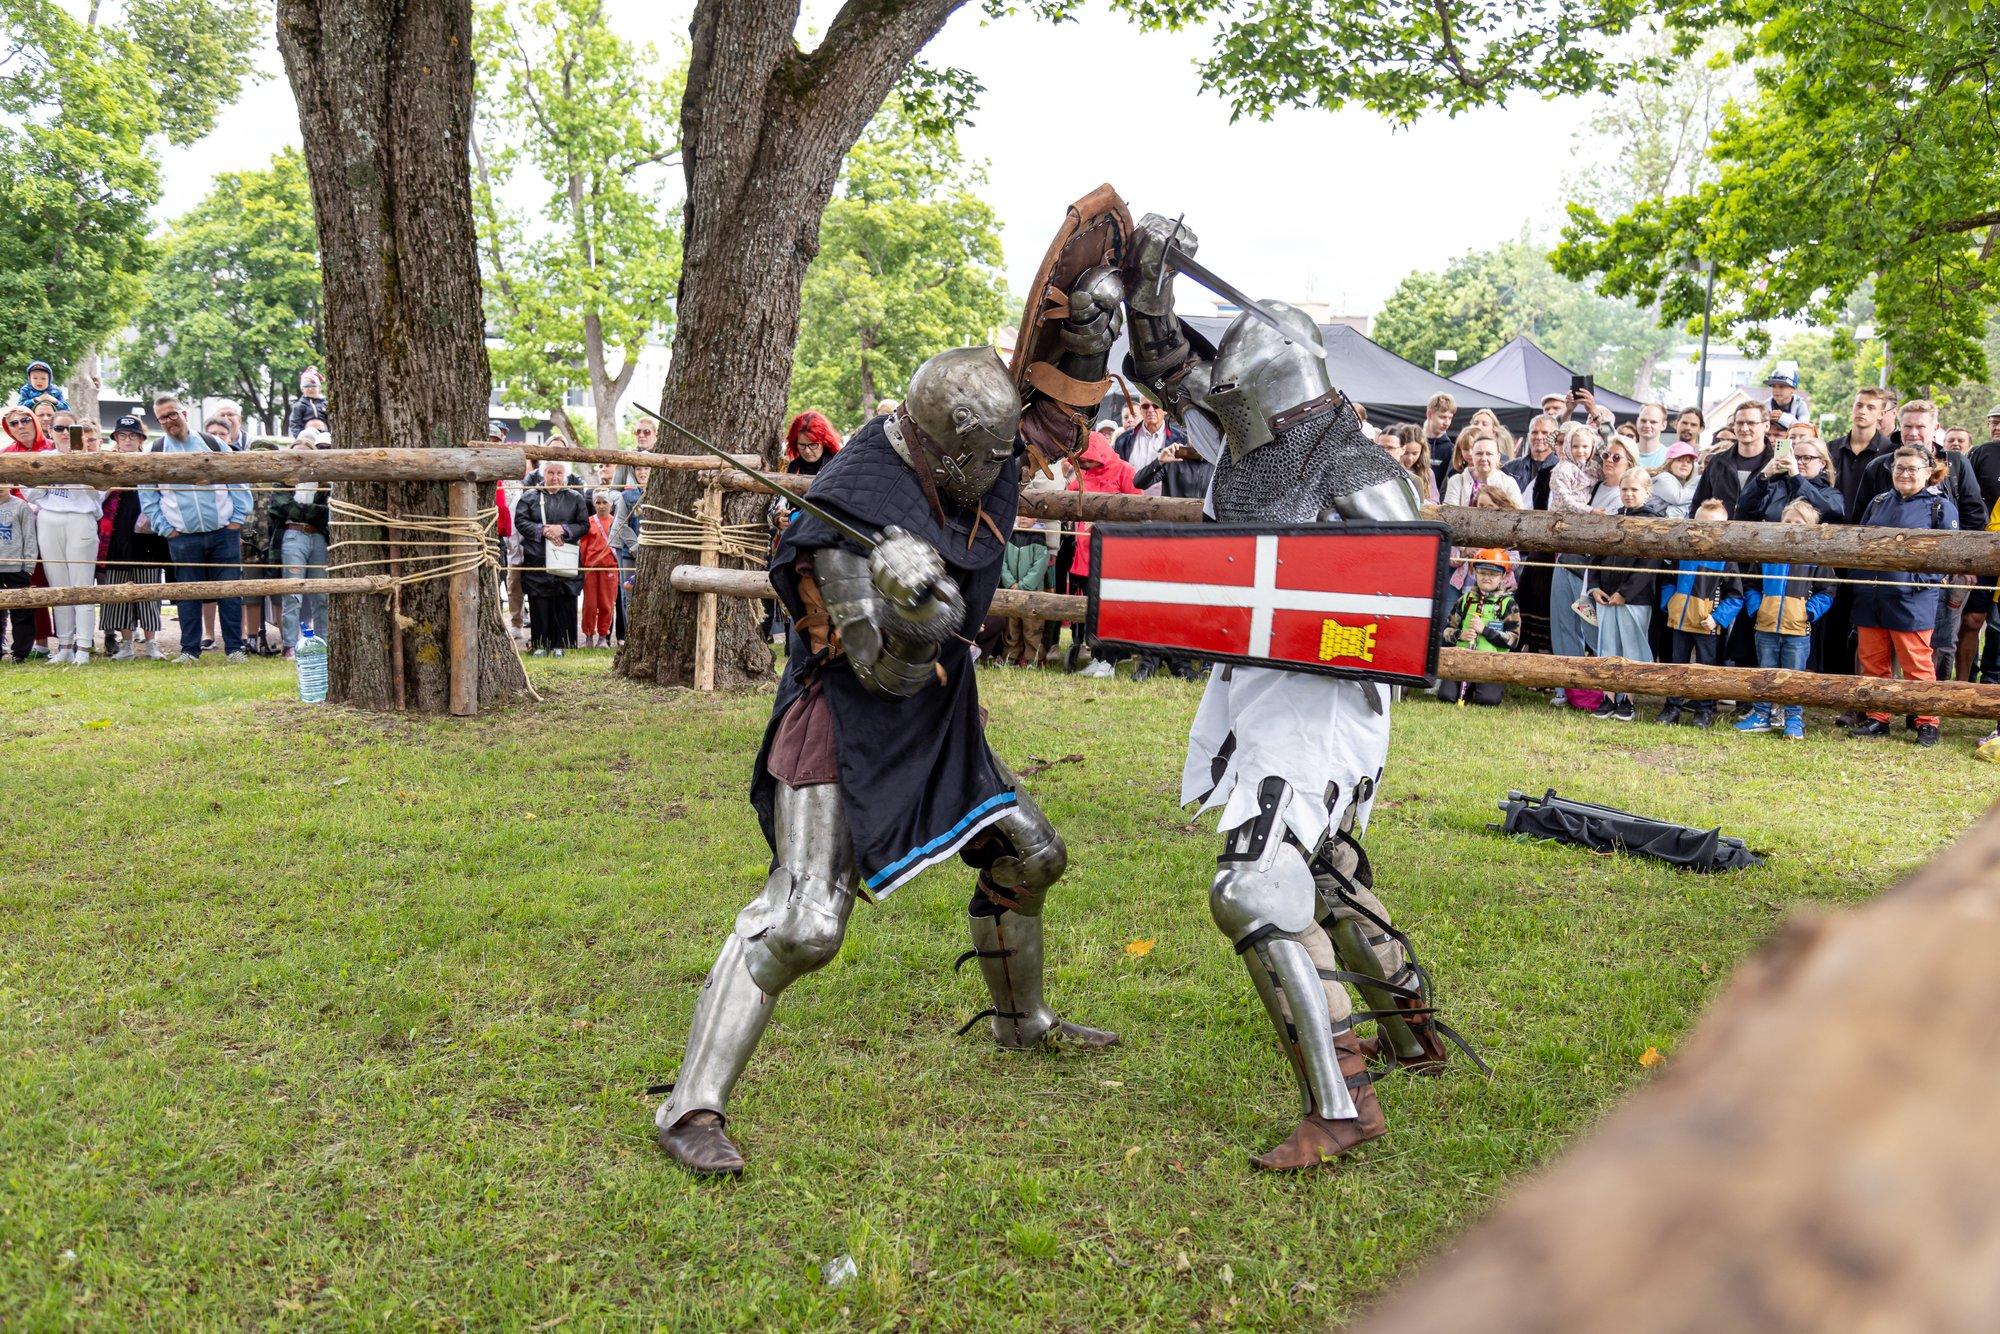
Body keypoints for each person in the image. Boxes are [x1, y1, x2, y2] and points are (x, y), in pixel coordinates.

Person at [653, 344, 1117, 1176]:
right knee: (805, 923)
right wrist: (911, 602)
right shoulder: (849, 513)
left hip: (938, 721)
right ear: (935, 447)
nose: (996, 472)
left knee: (1031, 854)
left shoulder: (979, 457)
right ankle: (689, 1105)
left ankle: (1022, 1021)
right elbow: (879, 669)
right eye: (977, 460)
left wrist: (1090, 319)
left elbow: (1053, 417)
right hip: (842, 719)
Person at [1117, 213, 1477, 1171]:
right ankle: (1409, 1029)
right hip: (1256, 685)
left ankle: (1342, 1104)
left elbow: (1411, 599)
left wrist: (1337, 645)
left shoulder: (1356, 466)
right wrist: (1150, 278)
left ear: (1270, 382)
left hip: (1324, 698)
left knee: (1252, 883)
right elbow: (1164, 368)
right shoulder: (1252, 444)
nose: (1210, 400)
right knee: (1319, 871)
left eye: (1229, 386)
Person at [1849, 446, 1956, 746]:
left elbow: (1947, 556)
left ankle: (1926, 722)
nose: (1905, 473)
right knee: (1873, 662)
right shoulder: (1879, 501)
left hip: (1912, 599)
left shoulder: (1940, 507)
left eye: (1912, 468)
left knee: (1917, 665)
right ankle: (1877, 717)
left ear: (1927, 472)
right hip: (1871, 596)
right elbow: (1859, 543)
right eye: (1900, 468)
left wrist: (1914, 582)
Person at [135, 394, 251, 663]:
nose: (169, 421)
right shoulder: (156, 451)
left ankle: (235, 649)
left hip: (223, 532)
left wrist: (237, 519)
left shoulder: (212, 443)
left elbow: (238, 481)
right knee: (187, 595)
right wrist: (167, 529)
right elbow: (148, 496)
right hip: (182, 537)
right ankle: (189, 650)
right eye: (162, 417)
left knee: (230, 592)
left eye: (172, 414)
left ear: (184, 413)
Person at [1718, 499, 1833, 740]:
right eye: (1787, 521)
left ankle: (1793, 719)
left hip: (1798, 629)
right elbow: (1750, 584)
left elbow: (1828, 590)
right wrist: (1758, 608)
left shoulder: (1815, 557)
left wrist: (1808, 612)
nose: (1791, 526)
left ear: (1810, 526)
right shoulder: (1767, 553)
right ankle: (1761, 715)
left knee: (1794, 675)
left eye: (1798, 522)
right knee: (1765, 671)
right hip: (1766, 626)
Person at [1587, 469, 1662, 721]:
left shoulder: (1654, 522)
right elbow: (1596, 557)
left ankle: (1627, 700)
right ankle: (1607, 697)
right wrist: (1595, 585)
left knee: (1631, 647)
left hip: (1635, 599)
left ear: (1647, 492)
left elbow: (1649, 565)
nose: (1628, 494)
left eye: (1634, 490)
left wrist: (1625, 593)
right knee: (1607, 645)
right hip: (1606, 596)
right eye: (1624, 489)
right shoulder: (1613, 520)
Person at [1068, 430, 1142, 678]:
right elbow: (1066, 496)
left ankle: (1110, 660)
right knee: (1092, 608)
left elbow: (1137, 509)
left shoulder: (1124, 470)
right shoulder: (1082, 474)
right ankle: (1098, 657)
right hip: (1085, 555)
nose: (1084, 464)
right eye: (1080, 461)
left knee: (1111, 609)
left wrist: (1103, 522)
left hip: (1113, 555)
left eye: (1086, 459)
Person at [1655, 499, 1734, 727]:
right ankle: (1672, 707)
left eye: (1713, 525)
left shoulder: (1725, 559)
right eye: (1702, 524)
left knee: (1706, 667)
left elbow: (1735, 595)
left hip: (1706, 624)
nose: (1706, 530)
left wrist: (1718, 618)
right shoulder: (1683, 553)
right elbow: (1668, 580)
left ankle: (1705, 710)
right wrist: (1671, 604)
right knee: (1677, 665)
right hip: (1679, 621)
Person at [98, 416, 167, 659]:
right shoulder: (107, 463)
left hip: (147, 535)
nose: (128, 440)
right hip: (116, 534)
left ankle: (151, 644)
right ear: (116, 438)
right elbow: (96, 496)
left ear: (141, 439)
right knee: (118, 592)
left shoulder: (150, 462)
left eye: (133, 435)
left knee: (149, 589)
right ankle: (126, 644)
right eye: (123, 435)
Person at [516, 459, 589, 656]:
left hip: (565, 559)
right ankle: (540, 644)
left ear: (564, 475)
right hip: (537, 558)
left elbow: (583, 525)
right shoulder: (529, 497)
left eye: (559, 473)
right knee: (539, 602)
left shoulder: (575, 498)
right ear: (543, 474)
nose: (555, 477)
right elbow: (521, 521)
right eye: (550, 473)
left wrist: (563, 529)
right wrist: (544, 530)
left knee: (564, 601)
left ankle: (562, 645)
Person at [269, 427, 332, 655]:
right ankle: (290, 645)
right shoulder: (282, 481)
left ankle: (324, 642)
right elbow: (280, 508)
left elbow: (326, 513)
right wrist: (309, 511)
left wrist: (301, 511)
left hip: (317, 537)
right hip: (293, 536)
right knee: (293, 593)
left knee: (321, 593)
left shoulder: (324, 482)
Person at [1435, 550, 1518, 705]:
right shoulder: (1465, 600)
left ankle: (1480, 688)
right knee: (1446, 696)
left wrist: (1485, 631)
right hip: (1462, 661)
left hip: (1491, 664)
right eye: (1482, 572)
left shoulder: (1508, 604)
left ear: (1503, 576)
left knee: (1488, 700)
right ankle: (1467, 688)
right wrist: (1460, 635)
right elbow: (1446, 631)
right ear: (1475, 572)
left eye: (1493, 574)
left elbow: (1513, 640)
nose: (1486, 577)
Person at [1734, 431, 1842, 524]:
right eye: (1796, 457)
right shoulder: (1775, 488)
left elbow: (1832, 512)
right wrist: (1763, 476)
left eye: (1806, 458)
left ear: (1822, 463)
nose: (1799, 462)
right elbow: (1744, 508)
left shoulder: (1830, 494)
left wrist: (1796, 477)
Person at [1114, 397, 1183, 495]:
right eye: (1146, 406)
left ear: (1165, 410)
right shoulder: (1123, 440)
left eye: (1156, 405)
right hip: (1130, 504)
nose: (1151, 410)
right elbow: (1116, 474)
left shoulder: (1180, 439)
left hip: (1167, 505)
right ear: (1141, 410)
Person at [0, 482, 36, 662]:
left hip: (16, 566)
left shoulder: (21, 506)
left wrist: (29, 565)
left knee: (21, 612)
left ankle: (20, 652)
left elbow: (29, 536)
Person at [579, 490, 619, 648]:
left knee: (607, 604)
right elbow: (584, 546)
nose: (601, 506)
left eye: (605, 502)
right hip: (591, 568)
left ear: (611, 505)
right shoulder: (588, 522)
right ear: (593, 504)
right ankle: (588, 635)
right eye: (598, 502)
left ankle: (603, 636)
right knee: (589, 604)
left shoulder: (616, 522)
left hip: (610, 568)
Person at [1651, 441, 1701, 518]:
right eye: (1679, 460)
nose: (1685, 464)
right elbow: (1678, 498)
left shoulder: (1678, 481)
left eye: (1689, 462)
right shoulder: (1664, 477)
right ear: (1669, 463)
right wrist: (1701, 485)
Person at [1422, 391, 1457, 486]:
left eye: (1450, 418)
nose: (1447, 423)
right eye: (1443, 417)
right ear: (1429, 414)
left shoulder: (1452, 450)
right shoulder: (1416, 444)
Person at [288, 367, 329, 435]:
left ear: (319, 388)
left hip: (325, 435)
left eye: (313, 386)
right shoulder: (299, 406)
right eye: (306, 386)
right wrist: (299, 437)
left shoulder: (325, 404)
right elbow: (295, 424)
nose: (310, 389)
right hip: (306, 437)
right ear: (302, 389)